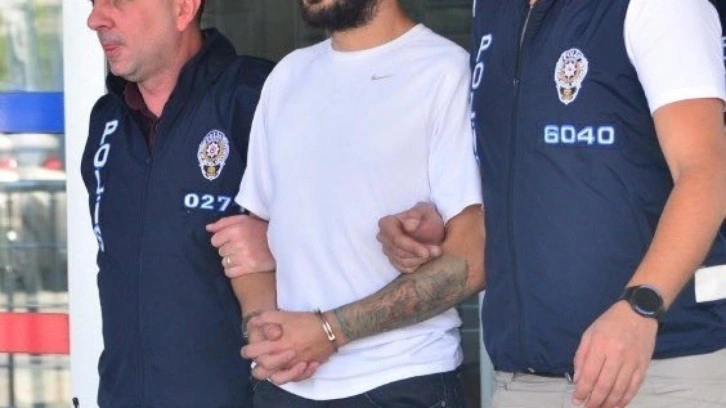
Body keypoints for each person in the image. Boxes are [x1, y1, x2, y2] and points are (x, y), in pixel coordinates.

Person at [379, 0, 726, 407]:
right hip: (524, 380)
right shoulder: (490, 9)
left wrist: (641, 307)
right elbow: (525, 178)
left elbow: (707, 171)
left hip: (657, 370)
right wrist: (443, 223)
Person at [206, 0, 485, 406]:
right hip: (287, 385)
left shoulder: (445, 70)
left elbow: (471, 259)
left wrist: (330, 331)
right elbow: (252, 239)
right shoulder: (289, 75)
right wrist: (267, 333)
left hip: (401, 379)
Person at [81, 0, 273, 406]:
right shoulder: (106, 120)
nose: (95, 19)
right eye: (94, 2)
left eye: (117, 1)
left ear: (183, 9)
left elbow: (344, 235)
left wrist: (279, 242)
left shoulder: (258, 97)